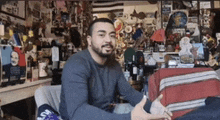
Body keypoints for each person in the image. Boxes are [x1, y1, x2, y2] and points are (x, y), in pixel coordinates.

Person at [59, 18, 172, 120]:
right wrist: (129, 118)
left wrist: (151, 106)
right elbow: (78, 113)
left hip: (106, 114)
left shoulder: (114, 65)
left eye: (112, 35)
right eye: (101, 35)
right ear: (89, 40)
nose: (108, 40)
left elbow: (129, 92)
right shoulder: (76, 64)